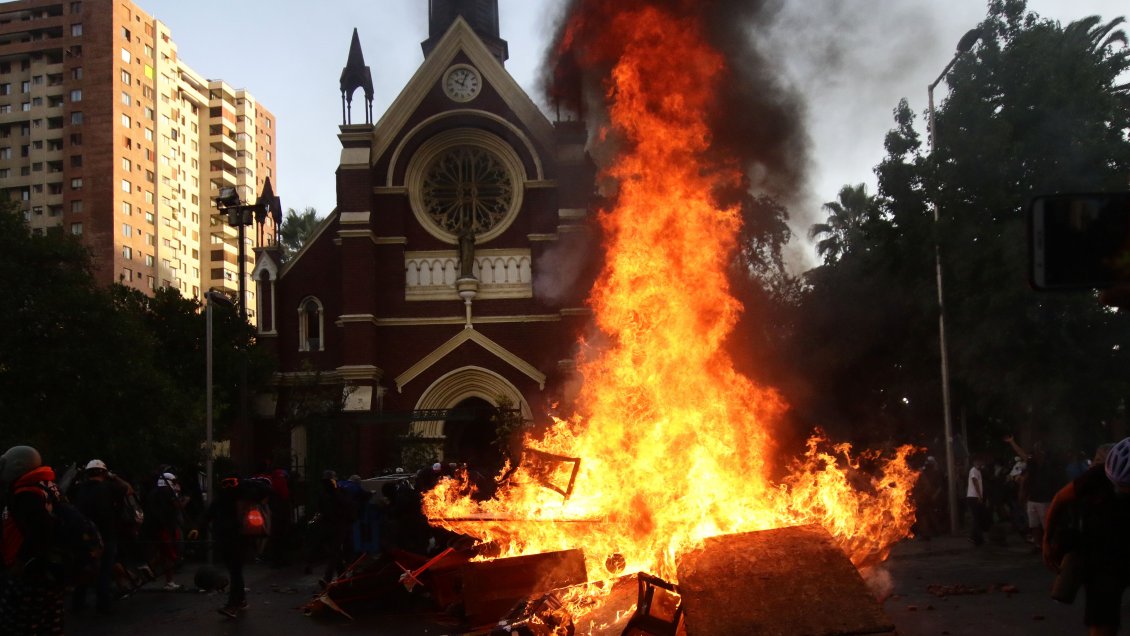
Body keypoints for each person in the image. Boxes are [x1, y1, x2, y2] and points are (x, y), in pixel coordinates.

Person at [1044, 436, 1130, 636]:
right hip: (1102, 554)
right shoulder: (1096, 477)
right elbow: (1059, 500)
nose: (1121, 492)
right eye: (1118, 485)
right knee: (1103, 623)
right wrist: (1047, 540)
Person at [0, 445, 65, 634]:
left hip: (30, 573)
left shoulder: (25, 494)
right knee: (49, 623)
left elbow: (39, 532)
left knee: (20, 624)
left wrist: (21, 562)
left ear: (18, 466)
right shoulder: (48, 487)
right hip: (49, 569)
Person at [188, 473, 271, 618]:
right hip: (226, 540)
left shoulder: (242, 497)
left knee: (235, 572)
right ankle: (241, 600)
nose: (227, 487)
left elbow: (266, 490)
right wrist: (197, 528)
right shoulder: (224, 500)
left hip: (239, 540)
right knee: (235, 572)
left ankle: (233, 605)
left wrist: (245, 483)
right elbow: (208, 514)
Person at [70, 459, 128, 613]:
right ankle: (103, 603)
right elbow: (127, 489)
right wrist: (113, 476)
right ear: (104, 472)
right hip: (106, 534)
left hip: (83, 536)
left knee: (84, 569)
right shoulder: (109, 487)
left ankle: (78, 602)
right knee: (105, 569)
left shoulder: (79, 489)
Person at [1007, 434, 1061, 547]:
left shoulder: (1049, 464)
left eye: (1038, 449)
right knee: (1034, 525)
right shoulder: (1032, 463)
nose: (1035, 451)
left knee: (1046, 525)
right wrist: (1012, 442)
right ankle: (1038, 545)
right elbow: (1022, 454)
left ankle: (1048, 545)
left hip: (1044, 499)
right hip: (1033, 498)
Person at [144, 472, 186, 590]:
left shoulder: (153, 492)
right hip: (167, 526)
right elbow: (177, 506)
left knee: (163, 551)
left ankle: (150, 567)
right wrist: (184, 500)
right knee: (170, 554)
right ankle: (169, 581)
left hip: (155, 526)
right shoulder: (168, 492)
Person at [966, 454, 989, 546]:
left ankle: (975, 537)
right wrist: (979, 496)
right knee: (976, 517)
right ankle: (976, 537)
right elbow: (975, 482)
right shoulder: (974, 470)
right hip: (973, 497)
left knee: (978, 517)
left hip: (975, 496)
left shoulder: (978, 471)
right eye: (979, 461)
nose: (981, 463)